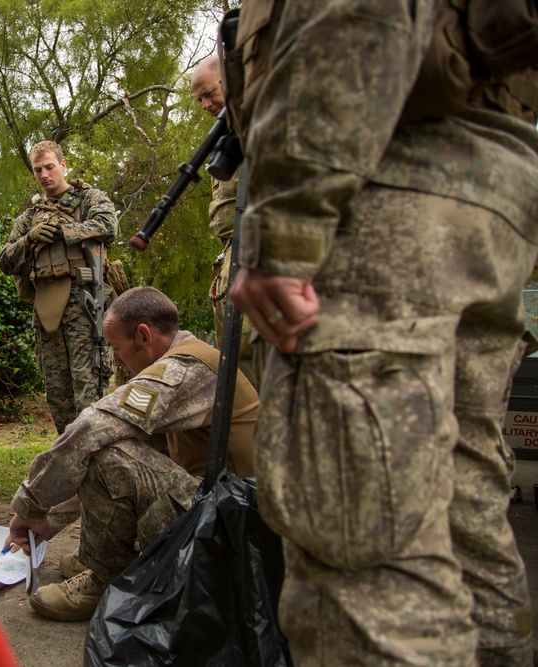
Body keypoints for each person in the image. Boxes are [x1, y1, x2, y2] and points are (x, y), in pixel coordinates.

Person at [227, 2, 538, 664]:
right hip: (490, 188)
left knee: (363, 566)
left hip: (379, 186)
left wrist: (286, 221)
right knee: (463, 514)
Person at [3, 286, 259, 621]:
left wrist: (31, 507)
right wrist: (46, 523)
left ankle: (110, 579)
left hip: (236, 537)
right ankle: (107, 563)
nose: (116, 361)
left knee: (105, 455)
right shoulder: (190, 362)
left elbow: (90, 428)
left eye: (115, 348)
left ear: (143, 336)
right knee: (113, 443)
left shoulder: (182, 370)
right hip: (230, 514)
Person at [0, 141, 117, 435]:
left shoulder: (89, 198)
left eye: (49, 167)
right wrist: (29, 239)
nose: (44, 174)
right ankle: (68, 447)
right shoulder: (29, 217)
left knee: (89, 382)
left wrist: (64, 232)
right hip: (47, 309)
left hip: (84, 304)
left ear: (63, 165)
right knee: (57, 389)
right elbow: (4, 260)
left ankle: (94, 447)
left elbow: (108, 226)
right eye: (37, 169)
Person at [190, 55, 257, 389]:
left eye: (209, 93)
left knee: (256, 353)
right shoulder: (227, 138)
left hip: (259, 251)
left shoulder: (262, 126)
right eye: (199, 99)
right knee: (236, 358)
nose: (205, 104)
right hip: (233, 253)